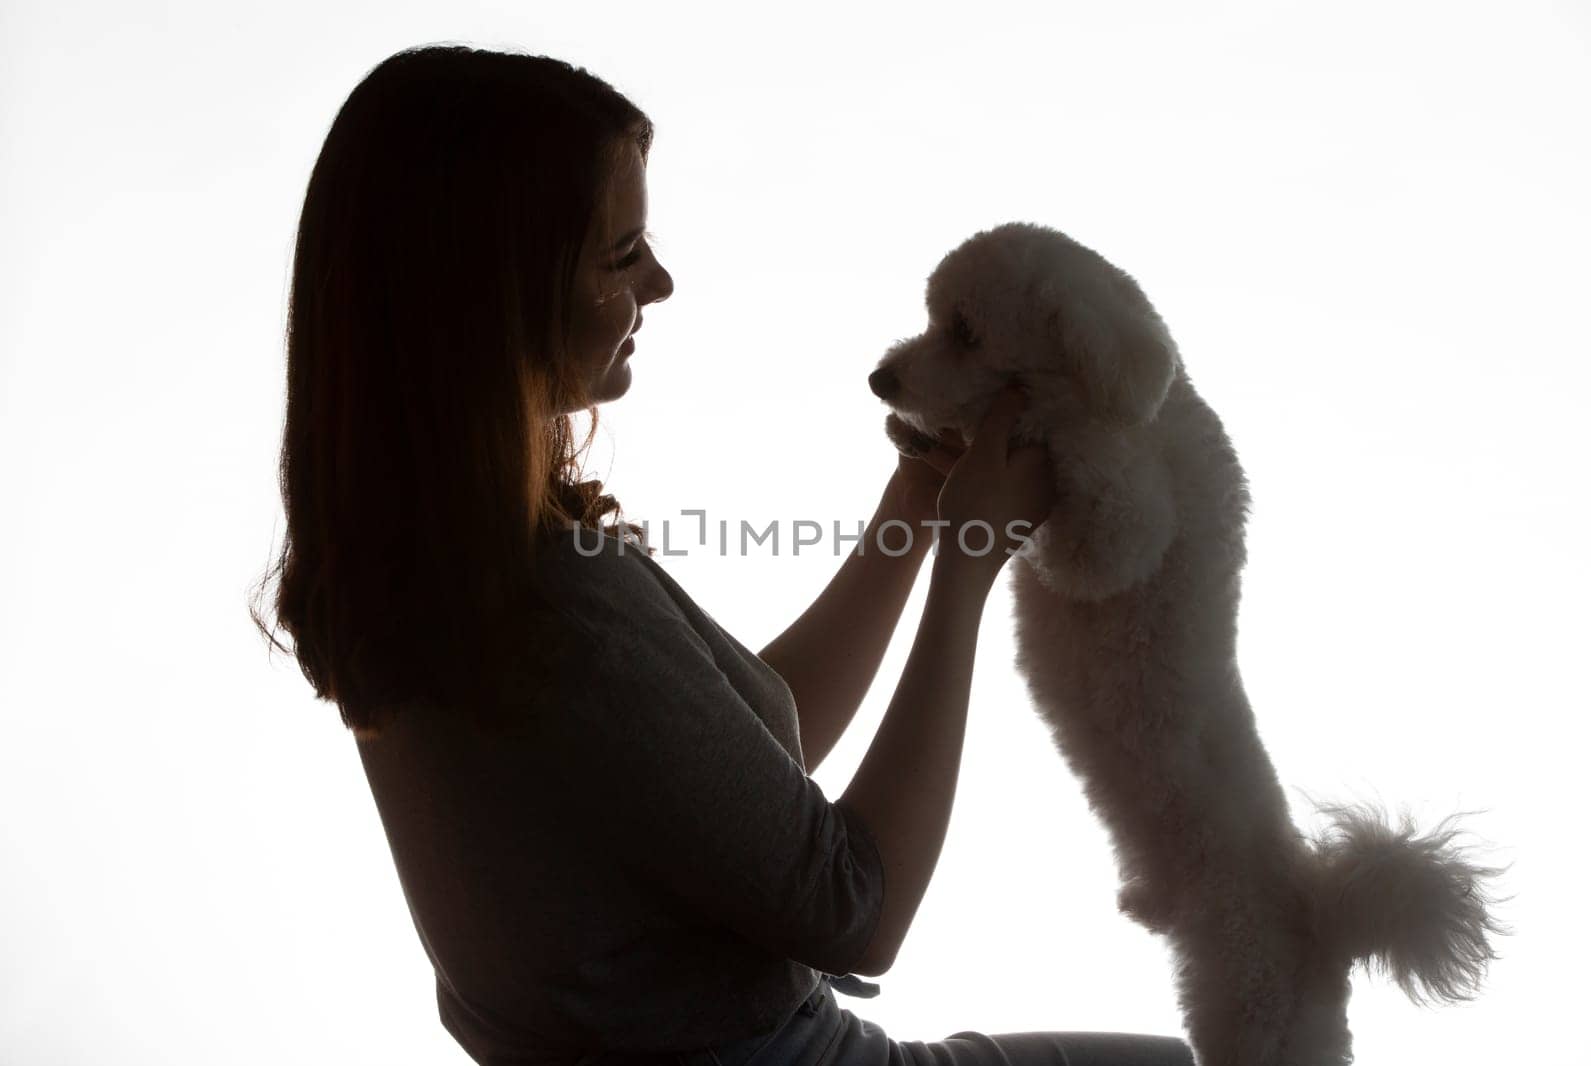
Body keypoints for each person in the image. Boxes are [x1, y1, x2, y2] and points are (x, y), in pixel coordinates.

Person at [251, 43, 1195, 1066]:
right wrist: (968, 569)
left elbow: (737, 768)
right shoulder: (555, 603)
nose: (660, 279)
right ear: (495, 294)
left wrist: (918, 506)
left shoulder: (435, 567)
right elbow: (855, 906)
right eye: (620, 256)